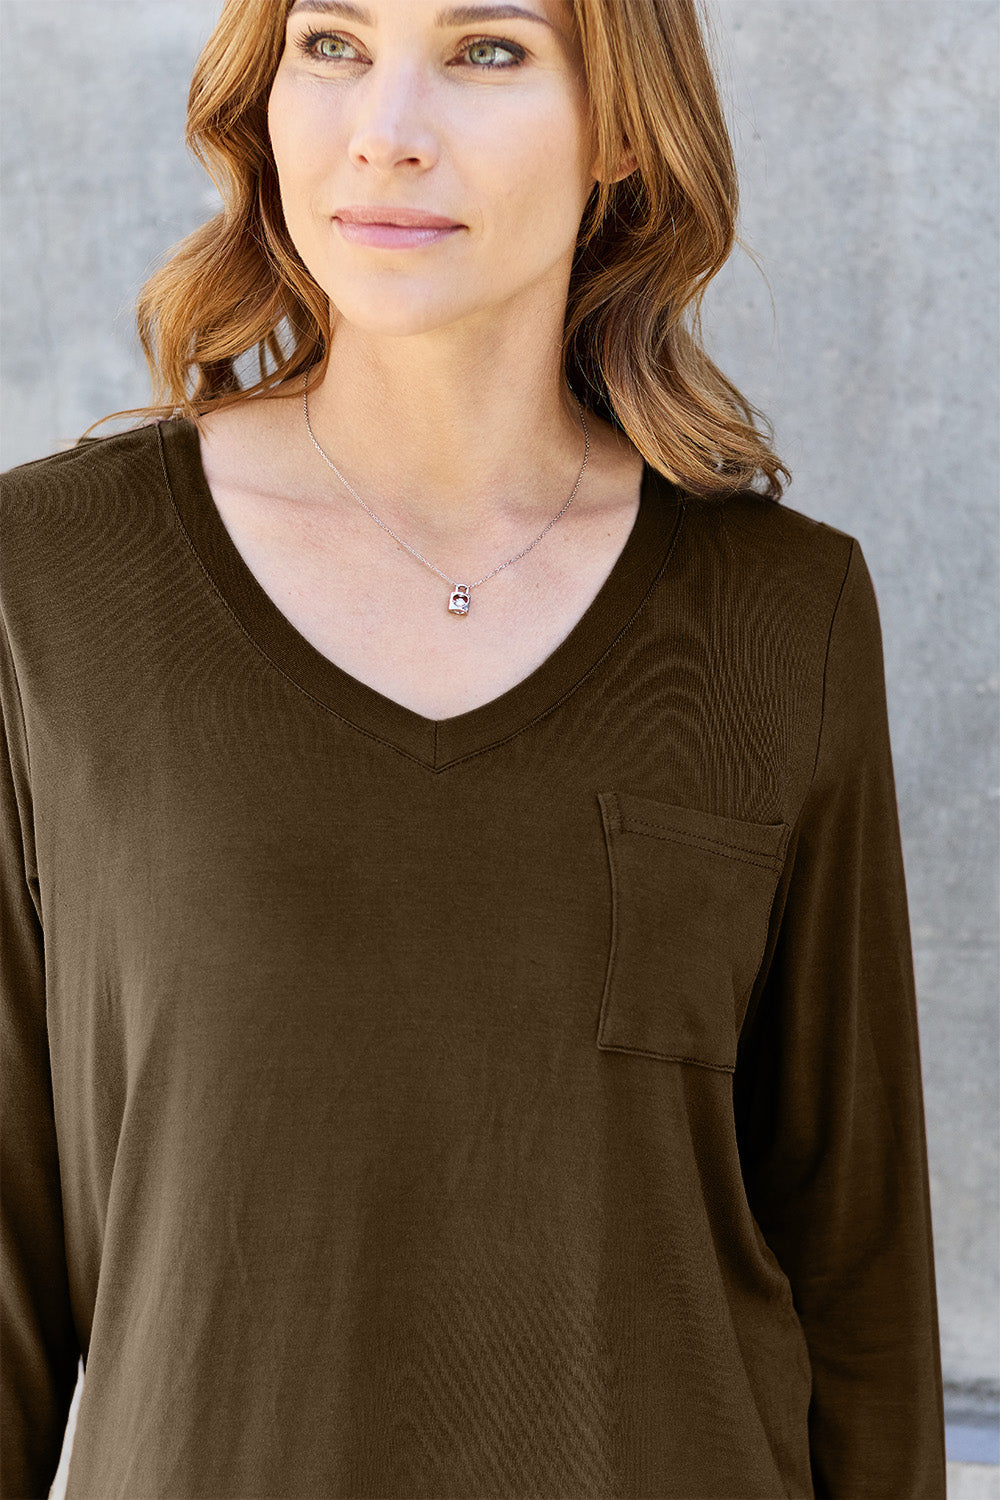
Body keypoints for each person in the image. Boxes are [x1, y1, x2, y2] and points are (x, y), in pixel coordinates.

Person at [0, 0, 948, 1496]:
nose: (387, 128)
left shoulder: (782, 612)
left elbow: (859, 1276)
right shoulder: (54, 582)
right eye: (332, 44)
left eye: (487, 49)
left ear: (623, 126)